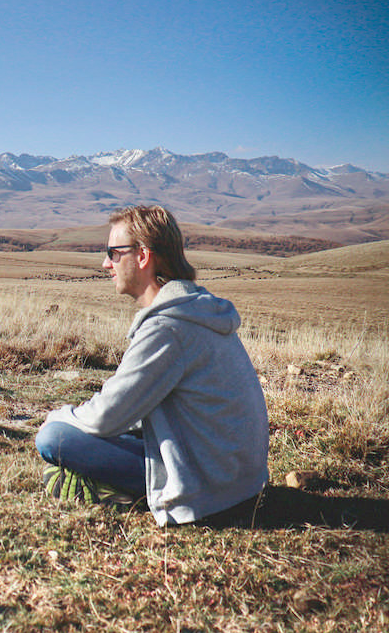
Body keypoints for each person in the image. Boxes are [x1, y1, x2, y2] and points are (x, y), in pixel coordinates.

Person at [35, 205, 269, 527]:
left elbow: (107, 416)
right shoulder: (194, 311)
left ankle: (118, 491)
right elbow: (131, 410)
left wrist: (58, 416)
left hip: (208, 489)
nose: (106, 264)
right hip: (238, 481)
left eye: (113, 253)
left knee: (53, 438)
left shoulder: (168, 329)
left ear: (143, 256)